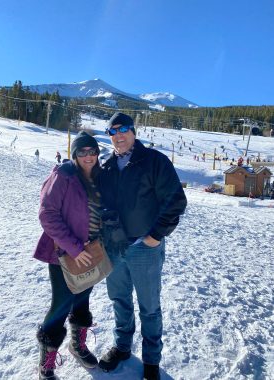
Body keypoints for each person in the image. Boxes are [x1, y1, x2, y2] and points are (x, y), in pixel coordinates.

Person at [98, 112, 187, 380]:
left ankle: (151, 361)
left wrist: (155, 236)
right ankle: (123, 347)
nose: (119, 135)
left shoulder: (153, 161)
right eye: (113, 131)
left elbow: (176, 201)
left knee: (149, 307)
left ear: (133, 131)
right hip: (114, 249)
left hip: (144, 248)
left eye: (123, 129)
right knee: (119, 300)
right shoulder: (107, 167)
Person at [33, 131, 102, 380]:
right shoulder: (64, 175)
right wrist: (75, 247)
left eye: (92, 151)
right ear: (74, 154)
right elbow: (47, 215)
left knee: (82, 299)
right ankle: (47, 361)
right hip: (65, 253)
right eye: (82, 151)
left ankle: (77, 345)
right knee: (61, 304)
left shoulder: (98, 177)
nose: (88, 155)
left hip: (92, 252)